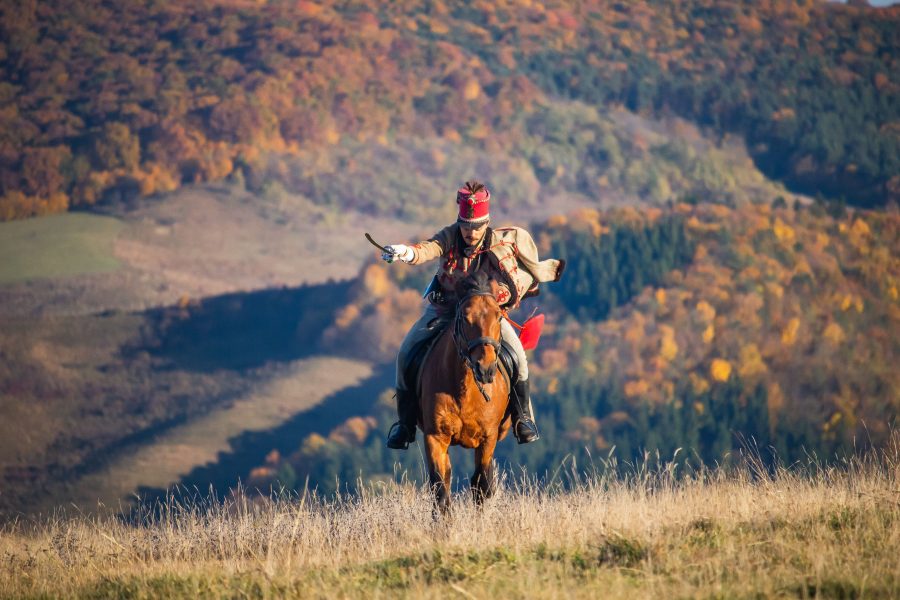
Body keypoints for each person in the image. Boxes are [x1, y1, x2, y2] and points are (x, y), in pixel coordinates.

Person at [381, 180, 565, 450]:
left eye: (476, 226)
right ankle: (405, 424)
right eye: (466, 225)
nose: (470, 232)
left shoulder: (500, 246)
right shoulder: (449, 236)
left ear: (486, 222)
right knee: (405, 353)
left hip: (485, 319)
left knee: (519, 359)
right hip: (444, 309)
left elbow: (511, 285)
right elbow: (429, 248)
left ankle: (523, 418)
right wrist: (406, 252)